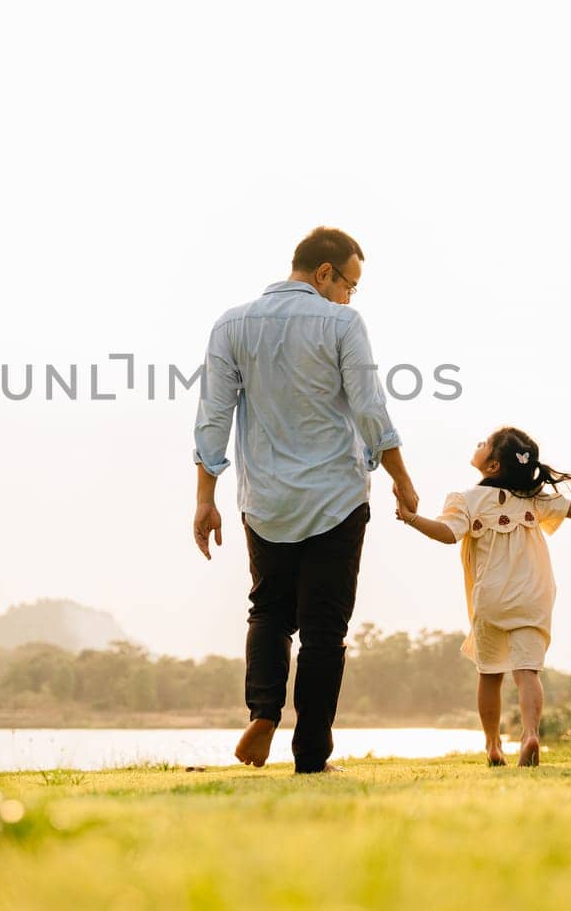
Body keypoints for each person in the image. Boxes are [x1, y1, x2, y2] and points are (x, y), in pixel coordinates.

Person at [192, 226, 420, 774]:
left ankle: (263, 711)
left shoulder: (231, 324)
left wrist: (205, 499)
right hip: (336, 498)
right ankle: (311, 756)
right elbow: (369, 409)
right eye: (350, 284)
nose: (349, 296)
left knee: (268, 610)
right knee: (325, 631)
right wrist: (401, 478)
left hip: (264, 499)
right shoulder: (342, 322)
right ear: (324, 273)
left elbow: (213, 417)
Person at [397, 426, 571, 766]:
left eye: (485, 443)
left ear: (493, 466)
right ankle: (530, 734)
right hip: (533, 594)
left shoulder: (465, 499)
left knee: (490, 674)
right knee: (528, 672)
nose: (478, 443)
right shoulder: (533, 496)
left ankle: (493, 745)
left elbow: (447, 534)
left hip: (491, 598)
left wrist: (411, 518)